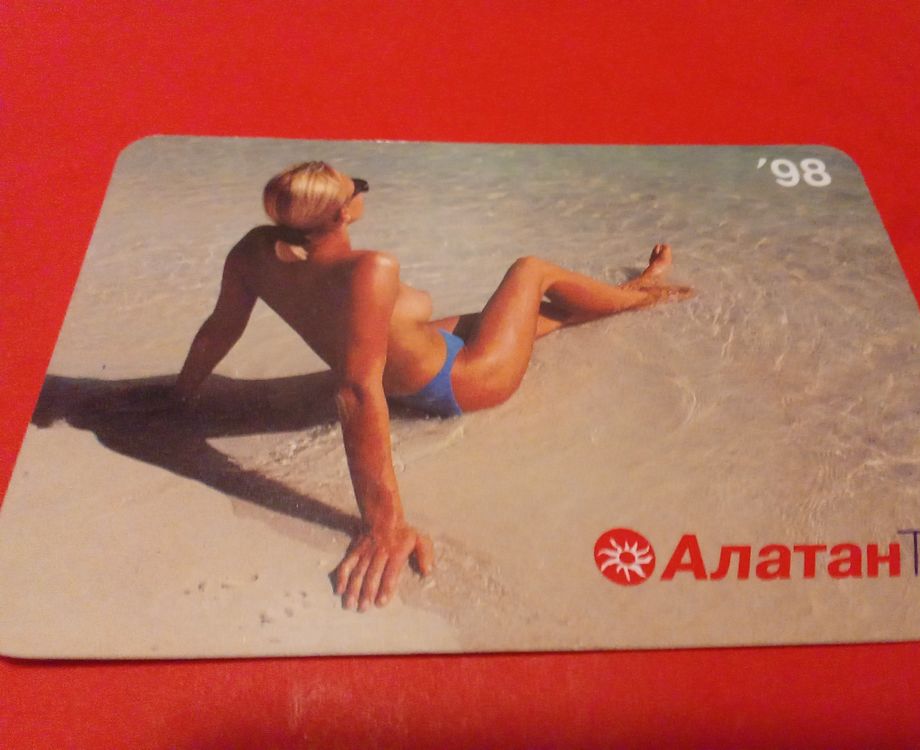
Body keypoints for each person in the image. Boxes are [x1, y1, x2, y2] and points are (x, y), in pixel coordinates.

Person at [173, 161, 692, 613]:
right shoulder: (368, 270)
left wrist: (181, 396)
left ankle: (621, 295)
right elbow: (356, 392)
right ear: (342, 215)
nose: (361, 193)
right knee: (531, 271)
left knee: (532, 316)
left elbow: (221, 328)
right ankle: (645, 295)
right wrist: (384, 524)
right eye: (356, 189)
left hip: (419, 360)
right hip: (465, 381)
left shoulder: (254, 251)